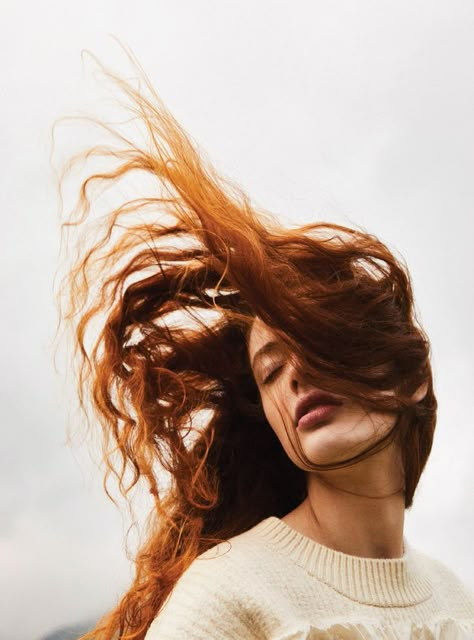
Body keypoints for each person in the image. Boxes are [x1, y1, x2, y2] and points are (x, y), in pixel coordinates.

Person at [58, 54, 474, 640]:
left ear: (412, 379)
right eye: (270, 371)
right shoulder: (228, 595)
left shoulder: (459, 603)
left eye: (316, 341)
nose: (294, 377)